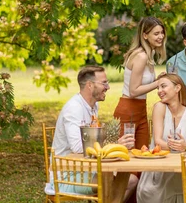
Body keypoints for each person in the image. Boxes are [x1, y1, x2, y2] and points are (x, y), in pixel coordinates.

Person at [47, 65, 138, 201]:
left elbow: (93, 139)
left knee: (131, 180)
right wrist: (113, 145)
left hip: (88, 168)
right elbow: (78, 148)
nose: (108, 87)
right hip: (67, 174)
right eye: (104, 83)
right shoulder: (74, 109)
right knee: (111, 183)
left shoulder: (94, 106)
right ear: (90, 85)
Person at [136, 73, 186, 203]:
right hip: (159, 170)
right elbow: (158, 140)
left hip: (183, 172)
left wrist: (185, 145)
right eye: (158, 88)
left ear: (177, 88)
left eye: (163, 86)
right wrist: (174, 146)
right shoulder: (159, 107)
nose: (159, 91)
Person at [113, 17, 167, 150]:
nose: (160, 36)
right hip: (128, 110)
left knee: (142, 153)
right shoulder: (141, 56)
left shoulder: (149, 54)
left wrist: (156, 80)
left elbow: (141, 84)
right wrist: (158, 83)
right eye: (156, 33)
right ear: (145, 35)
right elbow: (133, 91)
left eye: (161, 32)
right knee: (124, 157)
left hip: (141, 109)